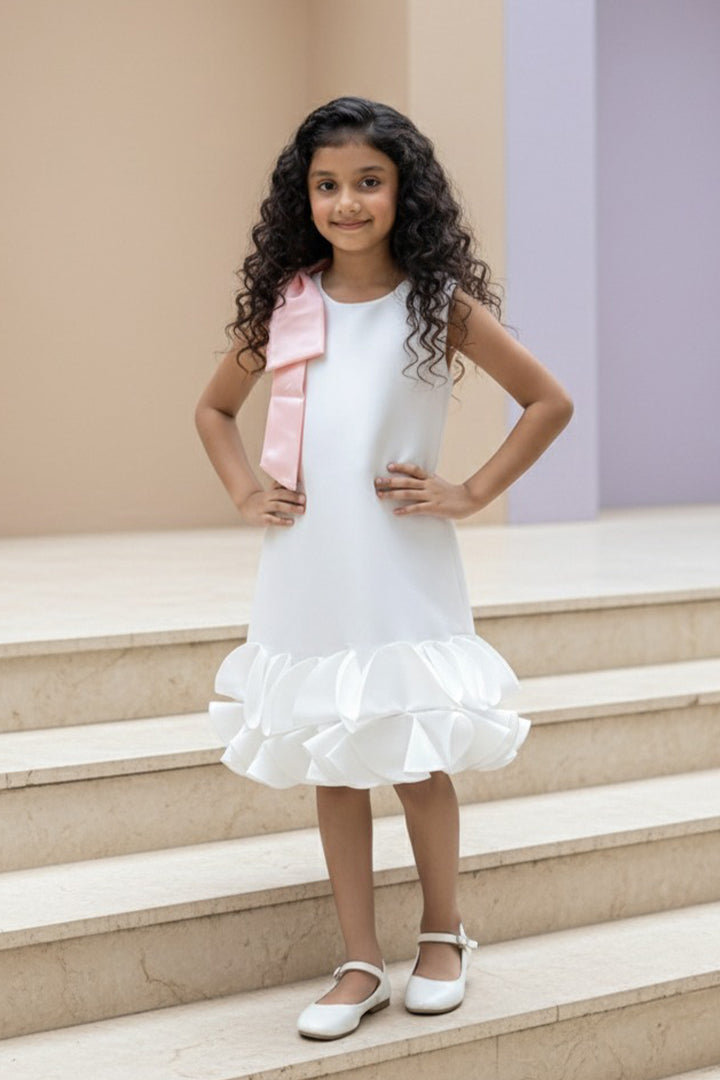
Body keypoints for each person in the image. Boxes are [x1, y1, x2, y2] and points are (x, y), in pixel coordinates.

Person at [194, 96, 574, 1041]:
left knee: (416, 753)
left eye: (369, 182)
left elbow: (546, 400)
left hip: (399, 561)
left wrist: (471, 491)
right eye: (328, 185)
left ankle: (443, 935)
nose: (348, 202)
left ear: (406, 193)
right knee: (334, 755)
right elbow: (213, 411)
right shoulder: (286, 303)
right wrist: (247, 492)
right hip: (310, 565)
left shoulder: (437, 305)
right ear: (304, 196)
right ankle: (359, 959)